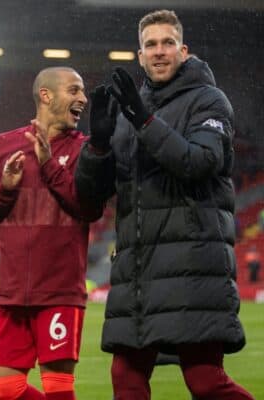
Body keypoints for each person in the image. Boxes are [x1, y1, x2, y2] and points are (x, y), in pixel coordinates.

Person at [74, 9, 254, 400]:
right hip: (137, 273)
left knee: (206, 381)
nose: (159, 51)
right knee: (126, 379)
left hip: (192, 267)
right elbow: (90, 201)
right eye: (150, 45)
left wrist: (142, 118)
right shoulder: (127, 112)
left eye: (167, 43)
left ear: (183, 50)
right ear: (139, 56)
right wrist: (99, 145)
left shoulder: (209, 101)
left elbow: (198, 162)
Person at [0, 67, 102, 400]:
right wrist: (4, 188)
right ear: (46, 95)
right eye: (74, 90)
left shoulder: (85, 151)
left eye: (82, 91)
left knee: (58, 389)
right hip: (14, 294)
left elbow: (88, 208)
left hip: (59, 291)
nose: (82, 98)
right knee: (2, 389)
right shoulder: (2, 146)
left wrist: (48, 164)